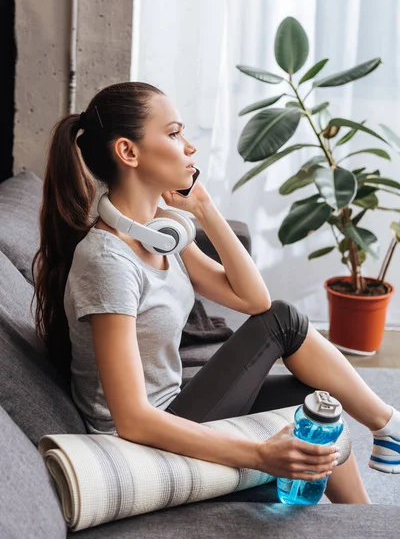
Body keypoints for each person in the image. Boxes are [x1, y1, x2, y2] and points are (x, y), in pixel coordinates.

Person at [33, 81, 400, 507]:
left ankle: (363, 518)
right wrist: (260, 454)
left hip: (179, 403)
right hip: (140, 438)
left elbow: (252, 300)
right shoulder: (107, 263)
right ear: (128, 153)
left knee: (316, 401)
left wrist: (204, 210)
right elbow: (132, 418)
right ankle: (389, 426)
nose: (188, 147)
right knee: (284, 321)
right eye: (172, 134)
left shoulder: (161, 232)